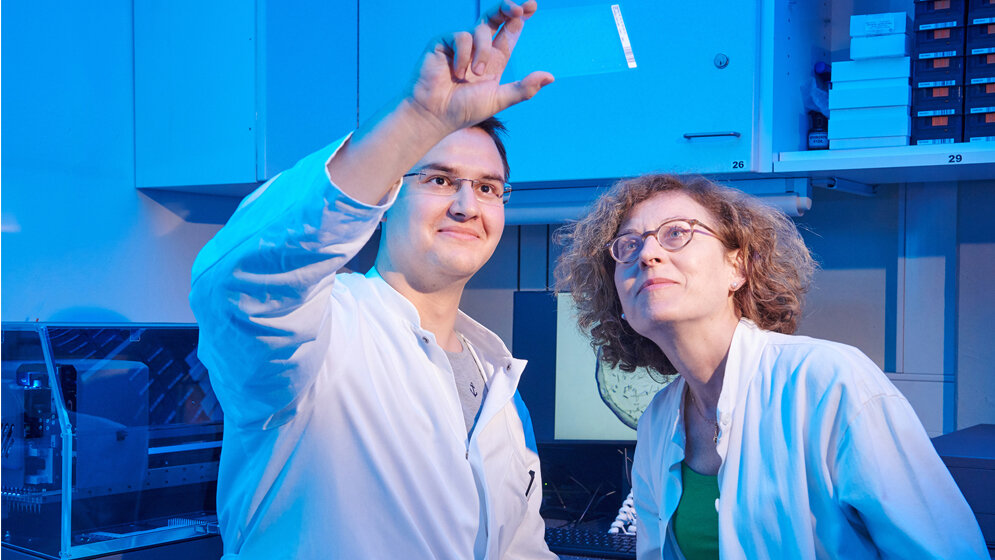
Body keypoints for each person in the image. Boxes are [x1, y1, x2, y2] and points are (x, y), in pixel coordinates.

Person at [189, 2, 556, 558]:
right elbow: (241, 285)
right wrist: (414, 120)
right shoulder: (319, 333)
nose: (466, 205)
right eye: (439, 179)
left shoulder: (497, 379)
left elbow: (521, 547)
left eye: (488, 188)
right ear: (387, 198)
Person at [554, 174, 987, 559]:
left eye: (676, 234)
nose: (647, 254)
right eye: (628, 245)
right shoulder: (658, 423)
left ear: (737, 266)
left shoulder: (829, 382)